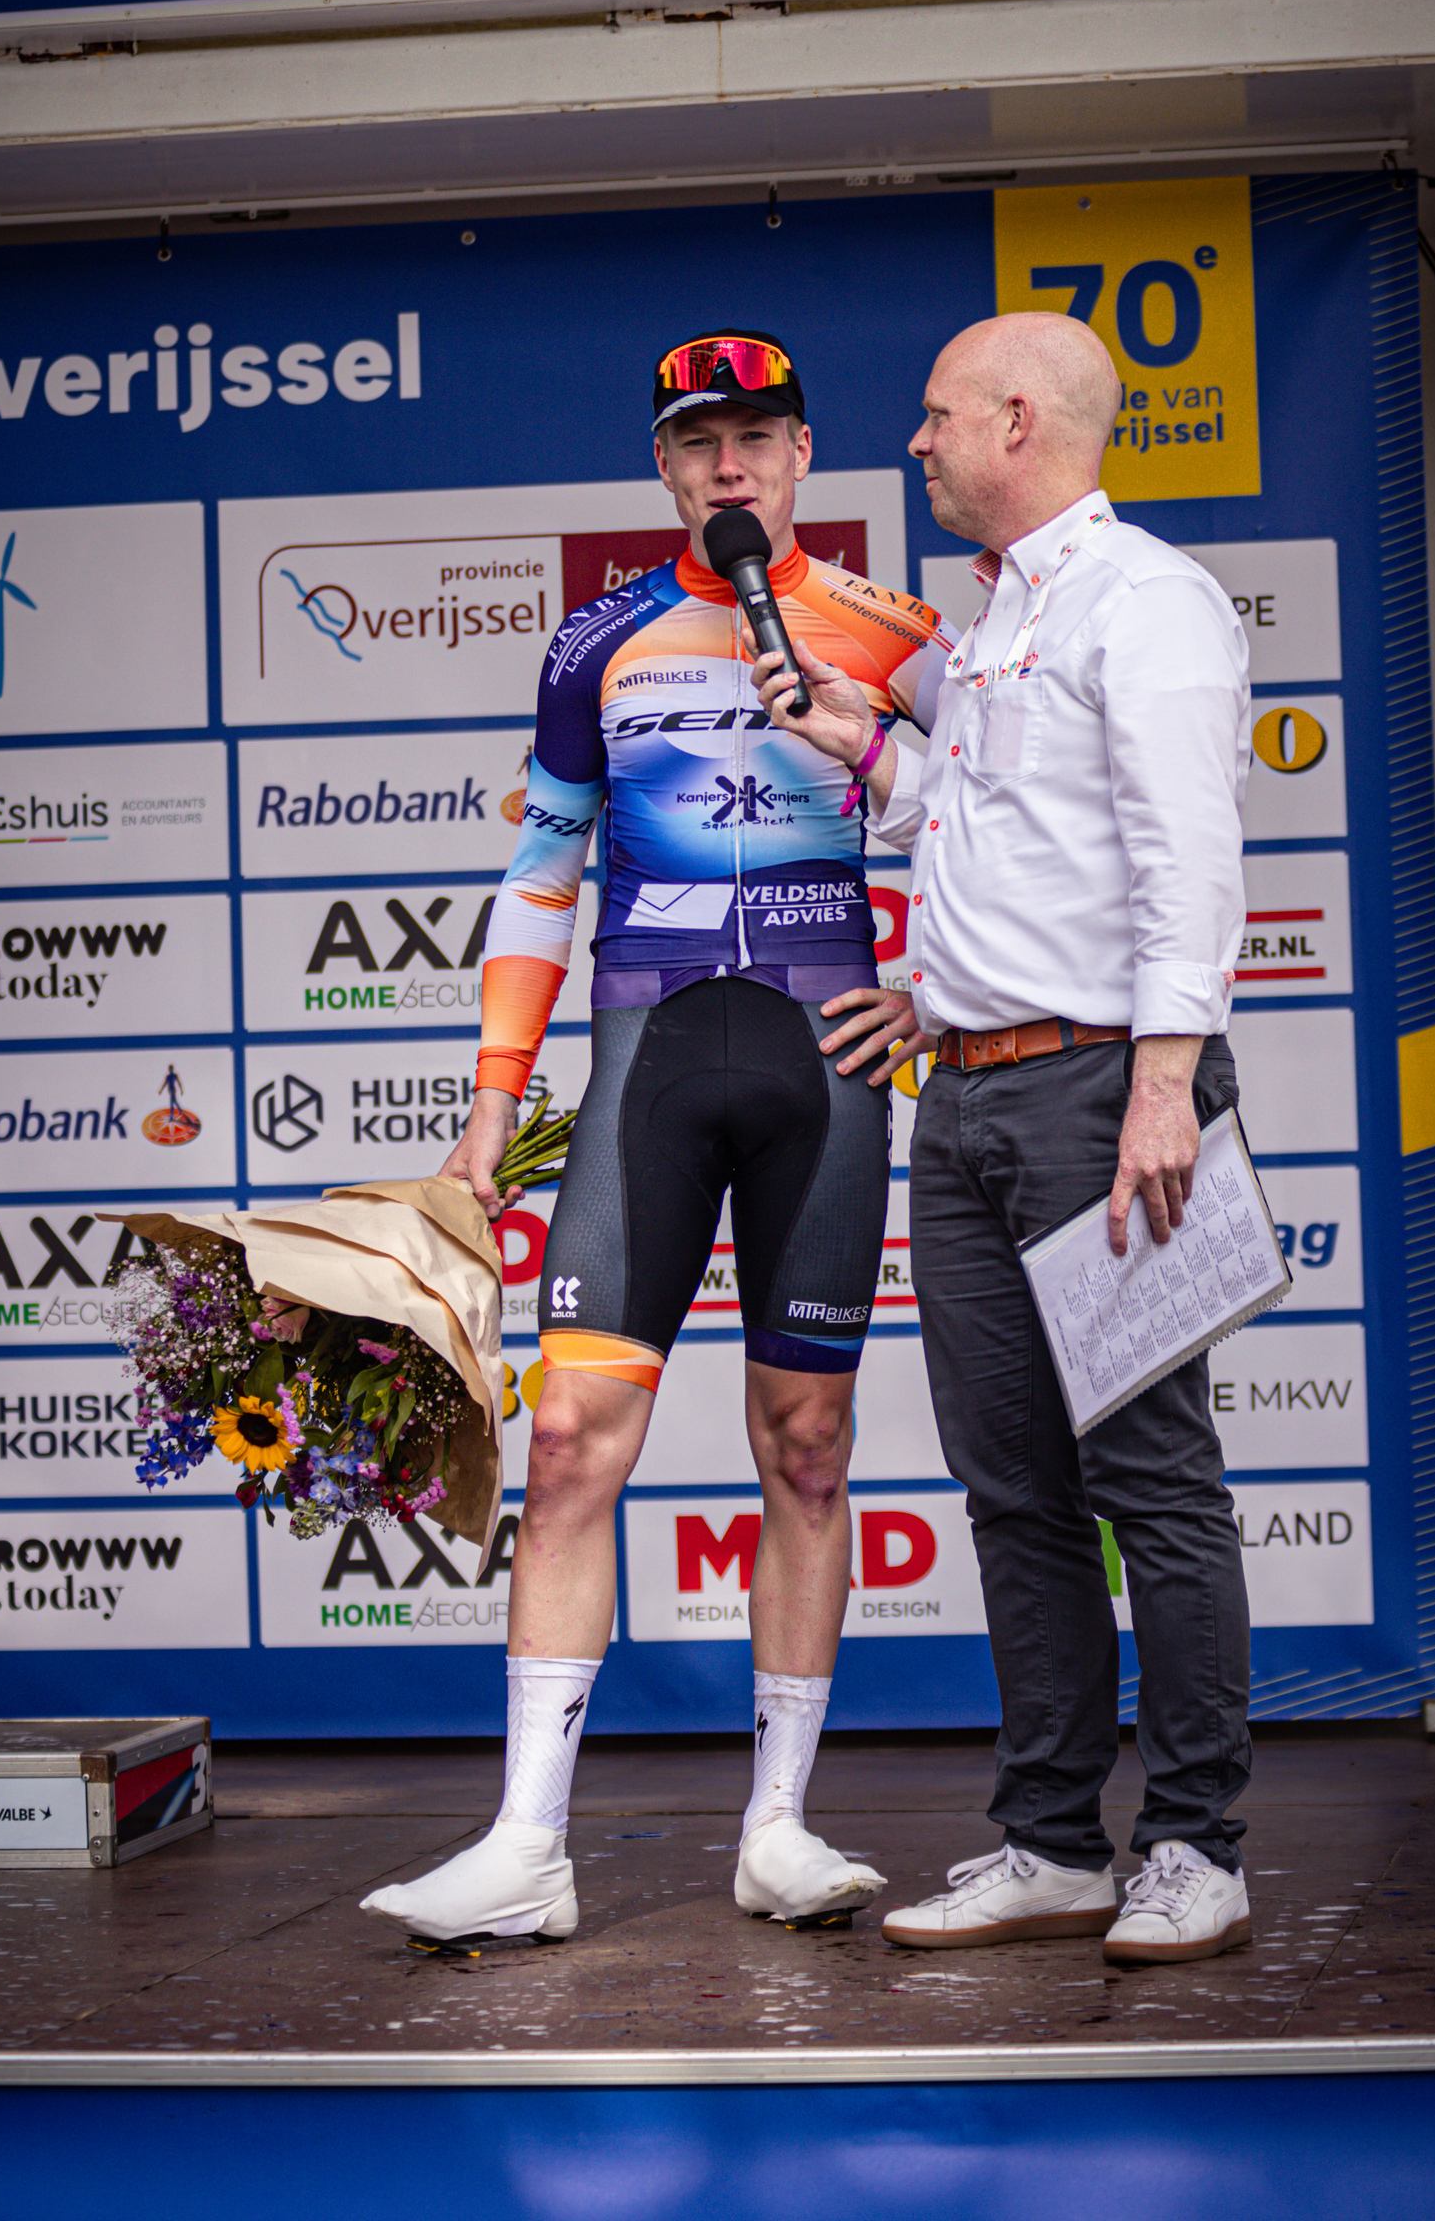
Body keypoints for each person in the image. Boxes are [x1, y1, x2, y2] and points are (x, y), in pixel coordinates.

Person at [361, 329, 952, 1945]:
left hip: (823, 1072)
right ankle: (527, 1845)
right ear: (665, 469)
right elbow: (541, 878)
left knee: (807, 1448)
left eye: (757, 437)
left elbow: (998, 825)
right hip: (647, 1065)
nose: (730, 467)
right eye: (700, 443)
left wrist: (932, 993)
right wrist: (488, 1115)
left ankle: (780, 1826)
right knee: (566, 1447)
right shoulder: (596, 646)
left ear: (804, 452)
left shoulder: (897, 633)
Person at [751, 310, 1257, 1965]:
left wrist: (1166, 1084)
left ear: (1018, 421)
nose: (916, 441)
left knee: (1151, 1481)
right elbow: (976, 824)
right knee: (1013, 1490)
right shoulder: (988, 626)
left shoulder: (1148, 602)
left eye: (936, 414)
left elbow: (1189, 855)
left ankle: (1195, 1844)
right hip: (966, 1093)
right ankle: (1052, 1843)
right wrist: (870, 753)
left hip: (1107, 1092)